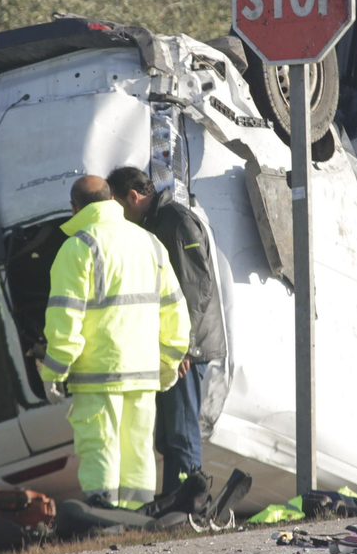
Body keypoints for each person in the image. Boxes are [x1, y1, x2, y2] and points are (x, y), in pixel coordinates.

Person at [42, 175, 190, 510]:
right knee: (138, 448)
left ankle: (104, 518)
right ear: (111, 199)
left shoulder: (78, 247)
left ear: (74, 208)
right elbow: (175, 312)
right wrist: (168, 363)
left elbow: (66, 319)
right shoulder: (150, 244)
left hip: (98, 374)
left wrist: (54, 372)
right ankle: (136, 521)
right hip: (143, 372)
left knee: (100, 445)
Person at [107, 166, 226, 499]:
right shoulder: (157, 223)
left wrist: (182, 348)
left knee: (181, 432)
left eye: (118, 205)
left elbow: (196, 286)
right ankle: (176, 504)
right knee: (169, 434)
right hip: (177, 346)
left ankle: (188, 508)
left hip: (189, 348)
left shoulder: (175, 221)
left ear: (133, 196)